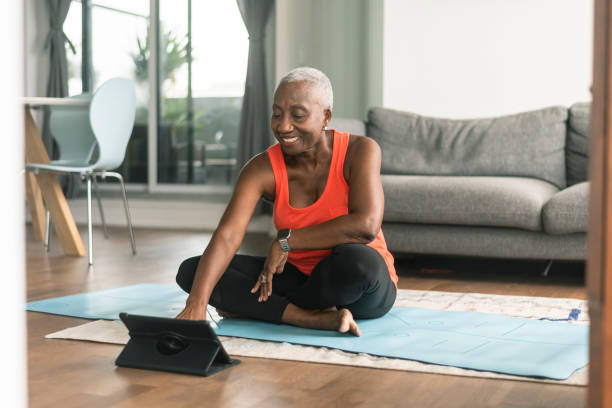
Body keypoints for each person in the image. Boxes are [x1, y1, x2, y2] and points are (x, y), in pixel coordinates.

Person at [176, 67, 398, 336]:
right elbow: (228, 236)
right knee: (193, 272)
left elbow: (366, 225)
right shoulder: (261, 168)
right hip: (297, 277)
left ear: (326, 115)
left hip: (358, 286)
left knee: (358, 261)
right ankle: (308, 318)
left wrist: (287, 240)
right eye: (277, 114)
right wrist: (196, 305)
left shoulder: (360, 150)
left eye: (298, 115)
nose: (283, 127)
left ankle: (263, 308)